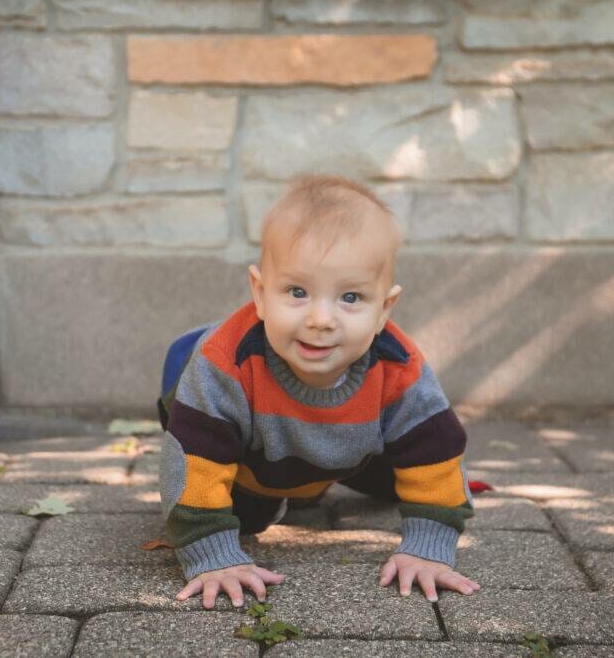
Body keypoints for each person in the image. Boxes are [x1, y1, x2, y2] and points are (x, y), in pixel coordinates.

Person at [156, 174, 479, 610]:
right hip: (238, 440)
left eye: (350, 296)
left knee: (399, 473)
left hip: (344, 435)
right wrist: (210, 557)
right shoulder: (223, 366)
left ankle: (310, 478)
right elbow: (194, 463)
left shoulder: (398, 365)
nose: (321, 319)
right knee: (245, 514)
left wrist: (428, 547)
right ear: (260, 293)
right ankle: (276, 491)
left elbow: (434, 454)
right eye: (297, 292)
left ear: (385, 310)